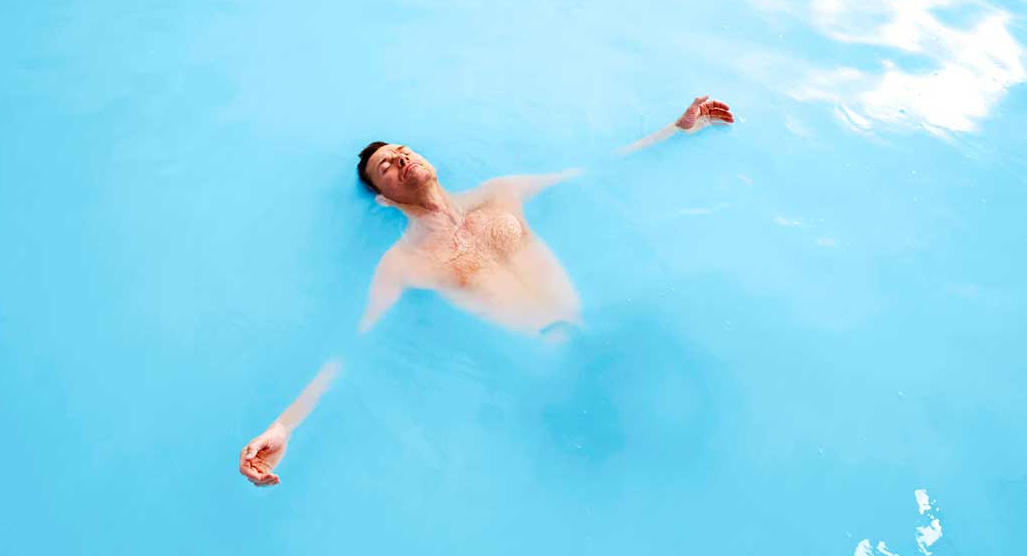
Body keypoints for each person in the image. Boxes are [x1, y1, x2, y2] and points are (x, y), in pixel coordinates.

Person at [239, 95, 735, 487]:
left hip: (601, 333)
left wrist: (677, 129)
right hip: (555, 369)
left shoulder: (501, 192)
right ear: (384, 200)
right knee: (636, 468)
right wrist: (286, 424)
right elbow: (354, 347)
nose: (401, 158)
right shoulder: (404, 262)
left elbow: (596, 170)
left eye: (403, 150)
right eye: (386, 167)